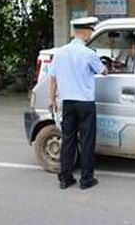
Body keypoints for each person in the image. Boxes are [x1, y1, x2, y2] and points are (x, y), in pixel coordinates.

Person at [49, 17, 108, 190]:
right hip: (85, 104)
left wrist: (52, 100)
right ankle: (86, 180)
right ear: (85, 32)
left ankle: (65, 178)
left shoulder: (60, 52)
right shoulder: (88, 53)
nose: (91, 34)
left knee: (68, 140)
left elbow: (53, 79)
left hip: (67, 102)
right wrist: (106, 65)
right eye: (91, 30)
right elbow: (103, 71)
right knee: (87, 141)